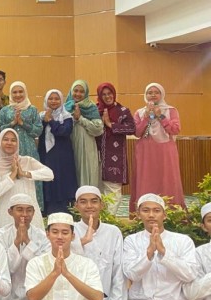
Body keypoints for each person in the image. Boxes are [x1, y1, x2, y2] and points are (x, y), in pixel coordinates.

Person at [72, 186, 127, 300]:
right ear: (76, 206)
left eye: (94, 201)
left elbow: (118, 273)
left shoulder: (113, 232)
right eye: (83, 202)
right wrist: (82, 242)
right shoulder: (69, 230)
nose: (89, 206)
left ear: (101, 205)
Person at [129, 83, 185, 213]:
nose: (153, 95)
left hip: (165, 152)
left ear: (162, 94)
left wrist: (160, 116)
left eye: (156, 92)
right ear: (145, 95)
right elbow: (137, 132)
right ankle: (143, 213)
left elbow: (175, 129)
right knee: (145, 181)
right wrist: (146, 117)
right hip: (145, 152)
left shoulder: (171, 110)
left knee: (168, 180)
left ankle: (171, 213)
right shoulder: (140, 112)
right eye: (150, 92)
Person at [0, 129, 54, 230]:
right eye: (6, 139)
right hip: (7, 215)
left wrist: (25, 173)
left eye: (13, 140)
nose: (9, 143)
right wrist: (12, 175)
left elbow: (50, 174)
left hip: (30, 214)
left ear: (18, 143)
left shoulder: (27, 160)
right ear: (0, 142)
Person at [0, 81, 45, 208]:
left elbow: (38, 130)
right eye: (14, 92)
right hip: (9, 150)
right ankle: (12, 208)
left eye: (20, 92)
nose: (18, 95)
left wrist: (23, 123)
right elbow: (0, 129)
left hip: (29, 149)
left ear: (25, 93)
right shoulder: (5, 110)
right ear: (10, 94)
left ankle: (34, 208)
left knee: (30, 176)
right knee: (11, 177)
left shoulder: (32, 109)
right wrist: (13, 123)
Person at [96, 82, 136, 213]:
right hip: (96, 155)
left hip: (114, 157)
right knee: (97, 191)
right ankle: (97, 220)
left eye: (110, 93)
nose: (107, 96)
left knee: (113, 192)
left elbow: (132, 128)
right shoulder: (95, 110)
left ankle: (109, 220)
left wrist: (110, 124)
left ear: (114, 94)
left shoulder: (122, 111)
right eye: (104, 94)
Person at [37, 89, 78, 215]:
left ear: (61, 101)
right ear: (46, 100)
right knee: (47, 178)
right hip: (45, 154)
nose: (53, 101)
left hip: (62, 154)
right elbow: (37, 132)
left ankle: (63, 209)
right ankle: (47, 209)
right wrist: (45, 120)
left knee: (61, 179)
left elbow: (63, 132)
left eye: (56, 99)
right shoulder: (40, 116)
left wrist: (51, 121)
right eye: (50, 98)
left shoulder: (67, 116)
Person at [65, 79, 103, 189]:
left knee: (86, 174)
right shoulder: (65, 107)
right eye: (75, 90)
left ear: (86, 93)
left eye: (81, 91)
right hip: (69, 145)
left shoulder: (91, 107)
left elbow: (98, 129)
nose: (78, 94)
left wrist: (80, 118)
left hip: (86, 147)